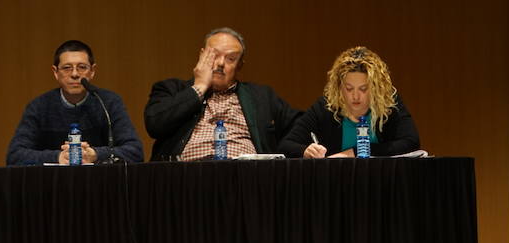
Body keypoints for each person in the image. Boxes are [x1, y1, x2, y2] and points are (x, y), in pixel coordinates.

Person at [144, 27, 300, 161]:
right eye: (214, 55)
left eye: (230, 59)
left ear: (239, 66)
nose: (220, 63)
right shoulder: (171, 89)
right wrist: (199, 87)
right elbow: (154, 125)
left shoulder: (261, 97)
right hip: (187, 179)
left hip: (246, 178)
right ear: (202, 55)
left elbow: (300, 126)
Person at [6, 40, 143, 165]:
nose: (75, 74)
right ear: (55, 72)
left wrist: (95, 154)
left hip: (100, 184)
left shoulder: (108, 102)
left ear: (92, 71)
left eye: (82, 67)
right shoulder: (39, 107)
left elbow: (135, 151)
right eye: (67, 68)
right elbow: (15, 155)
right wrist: (59, 157)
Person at [278, 46, 419, 158]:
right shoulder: (327, 106)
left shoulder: (389, 103)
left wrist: (355, 152)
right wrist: (306, 150)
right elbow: (286, 145)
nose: (356, 96)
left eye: (363, 89)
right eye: (349, 88)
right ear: (339, 87)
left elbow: (411, 142)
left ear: (376, 88)